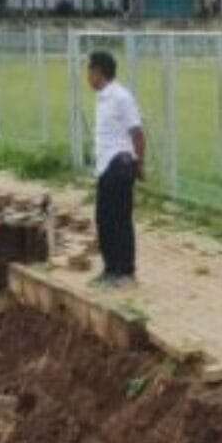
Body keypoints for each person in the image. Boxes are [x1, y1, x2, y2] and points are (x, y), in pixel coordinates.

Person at [86, 49, 145, 288]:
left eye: (89, 71)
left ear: (98, 72)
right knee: (104, 219)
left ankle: (126, 272)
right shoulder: (103, 98)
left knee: (120, 219)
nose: (87, 76)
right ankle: (111, 268)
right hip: (105, 166)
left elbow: (137, 133)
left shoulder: (121, 97)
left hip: (120, 164)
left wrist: (139, 163)